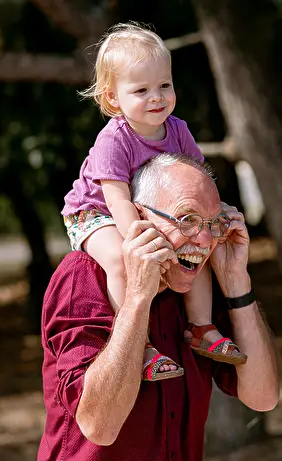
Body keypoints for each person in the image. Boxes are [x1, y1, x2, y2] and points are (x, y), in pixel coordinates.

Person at [34, 153, 280, 461]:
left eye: (213, 224)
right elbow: (100, 424)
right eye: (186, 220)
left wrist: (236, 281)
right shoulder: (85, 276)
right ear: (139, 219)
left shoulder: (200, 290)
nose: (203, 240)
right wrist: (138, 297)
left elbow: (264, 396)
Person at [61, 23, 245, 382]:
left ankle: (202, 327)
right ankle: (137, 343)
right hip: (96, 213)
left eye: (164, 85)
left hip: (149, 211)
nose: (157, 97)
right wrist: (141, 241)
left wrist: (212, 216)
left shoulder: (177, 130)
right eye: (142, 90)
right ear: (114, 99)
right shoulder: (114, 139)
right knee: (121, 261)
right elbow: (117, 200)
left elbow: (198, 180)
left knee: (198, 248)